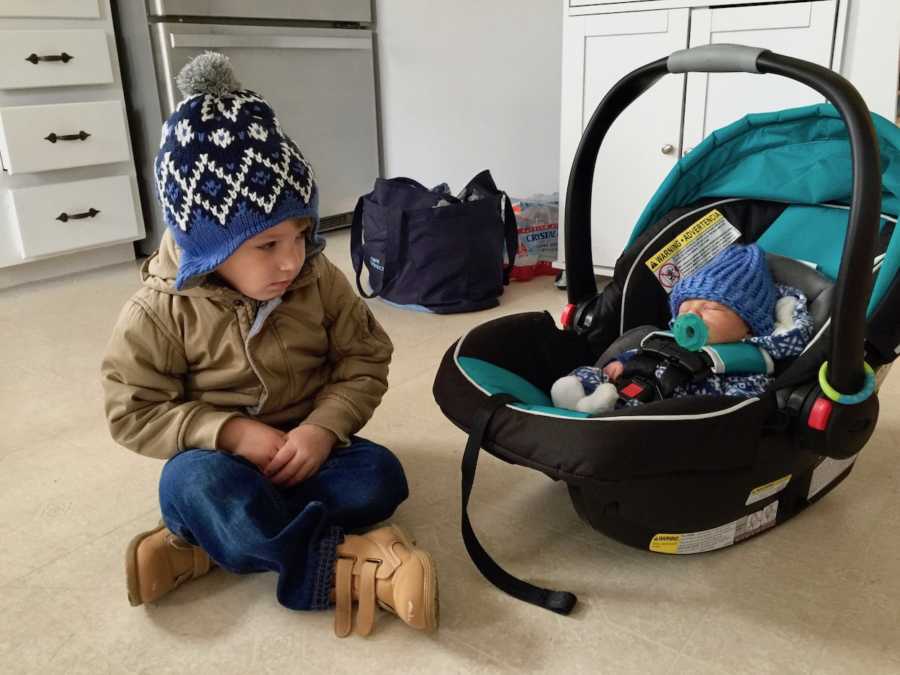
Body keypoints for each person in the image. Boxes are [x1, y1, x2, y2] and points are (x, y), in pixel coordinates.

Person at [101, 52, 438, 638]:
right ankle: (343, 567)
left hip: (308, 450)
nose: (292, 260)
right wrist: (229, 433)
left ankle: (203, 548)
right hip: (221, 463)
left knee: (381, 475)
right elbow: (133, 411)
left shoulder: (317, 278)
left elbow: (365, 357)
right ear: (206, 245)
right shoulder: (157, 311)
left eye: (302, 235)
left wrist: (323, 428)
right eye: (266, 245)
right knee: (195, 487)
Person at [551, 244, 815, 414]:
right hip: (629, 382)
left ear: (748, 327)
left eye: (711, 308)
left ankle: (599, 412)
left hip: (667, 411)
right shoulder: (667, 338)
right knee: (591, 373)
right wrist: (620, 364)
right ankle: (577, 399)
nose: (692, 314)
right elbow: (641, 354)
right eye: (685, 308)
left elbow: (743, 403)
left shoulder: (746, 363)